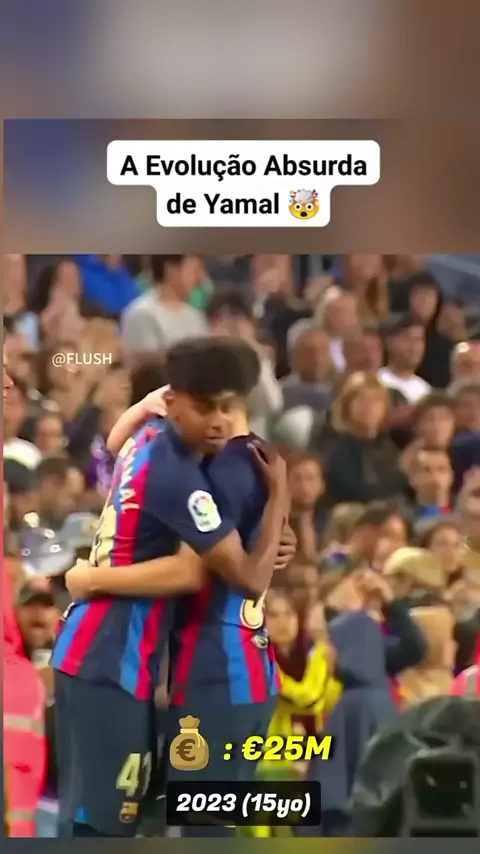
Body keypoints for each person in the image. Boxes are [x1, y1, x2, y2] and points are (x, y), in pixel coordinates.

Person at [51, 337, 289, 839]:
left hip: (113, 653)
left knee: (113, 816)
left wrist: (143, 405)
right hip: (111, 654)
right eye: (206, 407)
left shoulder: (151, 435)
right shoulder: (188, 474)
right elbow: (200, 573)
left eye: (226, 407)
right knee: (106, 823)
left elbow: (113, 444)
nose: (218, 421)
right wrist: (278, 502)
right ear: (176, 399)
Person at [121, 254, 207, 352]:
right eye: (195, 269)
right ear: (171, 270)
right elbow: (145, 360)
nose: (201, 278)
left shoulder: (195, 316)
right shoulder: (141, 314)